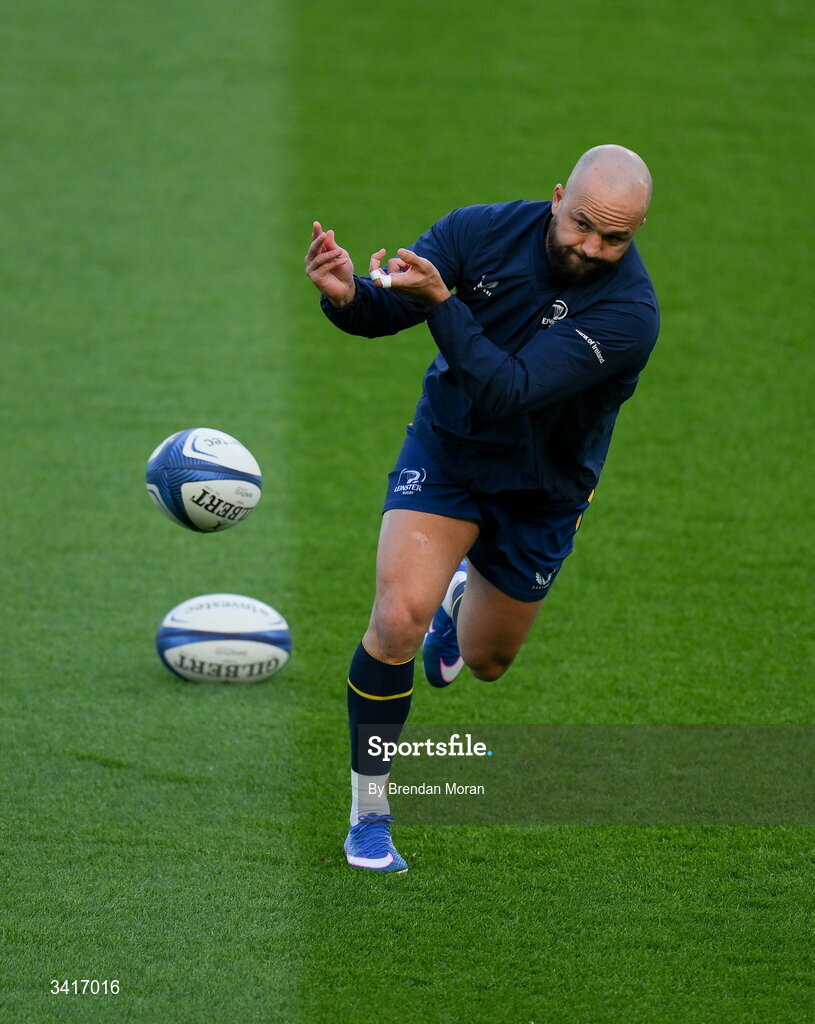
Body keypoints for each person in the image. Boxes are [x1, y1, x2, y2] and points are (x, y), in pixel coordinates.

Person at [304, 145, 659, 873]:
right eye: (582, 225)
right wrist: (345, 295)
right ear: (557, 196)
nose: (592, 248)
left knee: (488, 661)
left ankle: (457, 605)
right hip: (450, 455)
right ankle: (368, 817)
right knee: (396, 619)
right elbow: (381, 309)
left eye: (615, 238)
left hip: (543, 492)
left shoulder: (629, 316)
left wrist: (443, 302)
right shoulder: (477, 234)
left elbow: (511, 389)